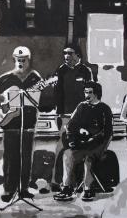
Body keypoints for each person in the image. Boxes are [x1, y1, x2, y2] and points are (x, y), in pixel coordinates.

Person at [0, 46, 43, 203]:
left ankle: (24, 189)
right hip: (10, 123)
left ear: (28, 60)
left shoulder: (35, 78)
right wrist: (1, 101)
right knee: (11, 157)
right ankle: (8, 189)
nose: (21, 62)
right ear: (14, 60)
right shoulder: (6, 78)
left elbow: (39, 100)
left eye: (24, 60)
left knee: (26, 157)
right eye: (18, 60)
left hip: (28, 123)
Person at [54, 81, 112, 202]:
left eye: (90, 92)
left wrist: (96, 139)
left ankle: (87, 189)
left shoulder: (104, 108)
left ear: (96, 93)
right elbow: (70, 125)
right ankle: (66, 189)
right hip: (82, 143)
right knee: (67, 155)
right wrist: (80, 130)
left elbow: (107, 132)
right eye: (85, 92)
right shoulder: (81, 106)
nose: (87, 95)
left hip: (98, 144)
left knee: (89, 158)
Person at [51, 43, 92, 191]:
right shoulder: (61, 71)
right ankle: (57, 181)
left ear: (78, 55)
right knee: (62, 148)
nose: (66, 56)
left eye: (70, 53)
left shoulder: (86, 71)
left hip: (82, 117)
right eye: (65, 53)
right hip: (65, 116)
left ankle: (79, 182)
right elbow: (57, 96)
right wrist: (59, 115)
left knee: (80, 148)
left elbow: (90, 95)